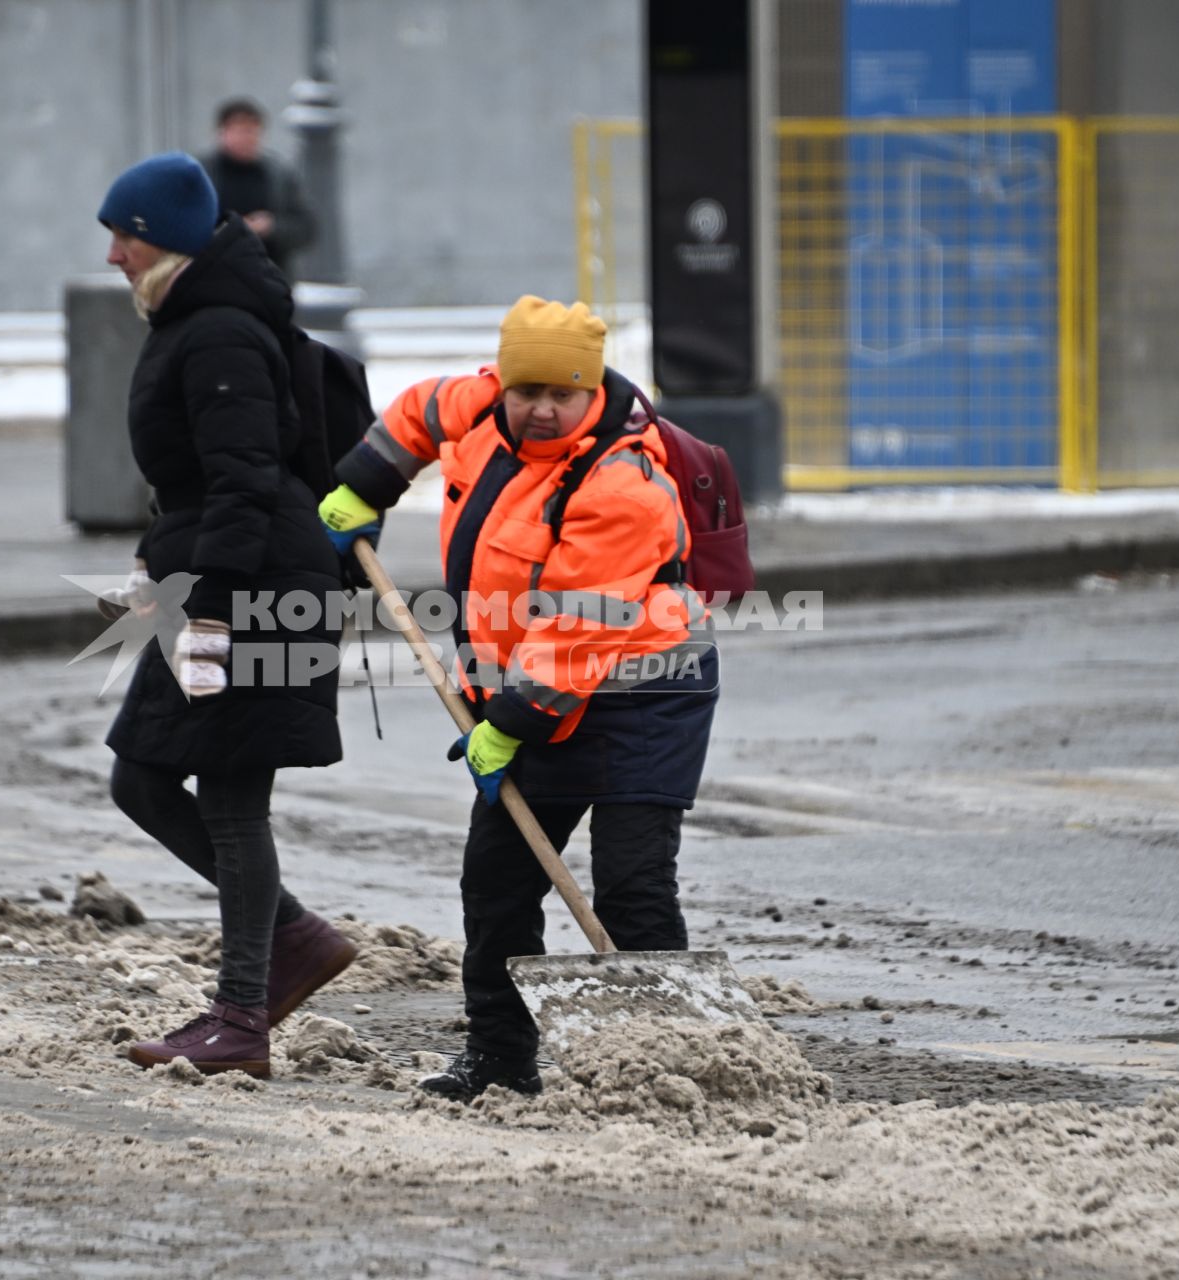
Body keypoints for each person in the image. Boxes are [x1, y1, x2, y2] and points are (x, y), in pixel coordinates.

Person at [317, 297, 719, 1101]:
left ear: (591, 389)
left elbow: (578, 627)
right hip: (534, 682)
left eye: (558, 396)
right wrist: (367, 484)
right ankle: (500, 1058)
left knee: (632, 881)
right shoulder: (479, 407)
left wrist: (507, 725)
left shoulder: (622, 485)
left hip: (645, 687)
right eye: (522, 390)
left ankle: (668, 1065)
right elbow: (416, 414)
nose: (537, 409)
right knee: (497, 878)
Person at [94, 151, 356, 1079]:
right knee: (144, 777)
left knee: (232, 798)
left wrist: (215, 616)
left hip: (251, 590)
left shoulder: (217, 333)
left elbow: (247, 482)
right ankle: (291, 941)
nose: (114, 254)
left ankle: (241, 1017)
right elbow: (200, 482)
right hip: (219, 576)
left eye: (123, 234)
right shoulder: (193, 320)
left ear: (159, 235)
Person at [200, 98, 316, 277]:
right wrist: (226, 228)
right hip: (211, 275)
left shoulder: (279, 176)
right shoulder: (203, 174)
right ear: (221, 132)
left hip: (268, 277)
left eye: (252, 131)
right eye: (239, 131)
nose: (246, 138)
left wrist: (272, 227)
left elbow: (306, 228)